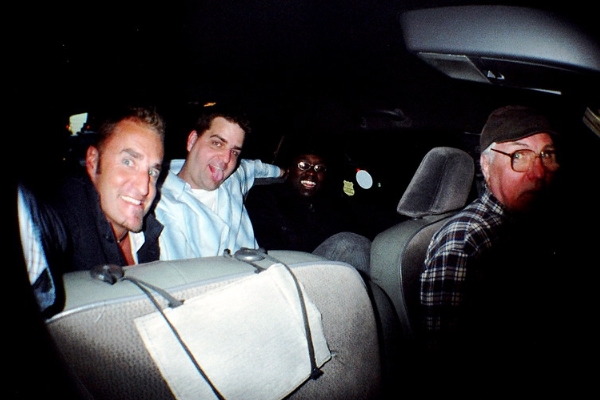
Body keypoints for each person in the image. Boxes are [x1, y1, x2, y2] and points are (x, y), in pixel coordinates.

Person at [418, 105, 565, 394]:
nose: (539, 173)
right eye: (519, 156)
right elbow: (447, 367)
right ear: (486, 167)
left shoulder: (530, 223)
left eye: (546, 155)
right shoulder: (464, 242)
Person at [18, 105, 166, 315]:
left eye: (152, 172)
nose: (144, 188)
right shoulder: (67, 214)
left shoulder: (152, 231)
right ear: (93, 161)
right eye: (128, 162)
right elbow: (38, 227)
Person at [154, 105, 285, 259]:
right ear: (192, 141)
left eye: (234, 151)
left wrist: (284, 172)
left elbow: (256, 167)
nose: (226, 159)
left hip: (265, 268)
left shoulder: (233, 177)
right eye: (217, 143)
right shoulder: (162, 207)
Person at [245, 140, 372, 272]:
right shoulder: (266, 196)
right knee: (349, 244)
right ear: (289, 170)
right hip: (284, 268)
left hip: (322, 268)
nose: (311, 173)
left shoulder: (331, 203)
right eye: (303, 165)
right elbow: (268, 245)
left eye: (319, 168)